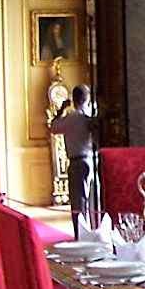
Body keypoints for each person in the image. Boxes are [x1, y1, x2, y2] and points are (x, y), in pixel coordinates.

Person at [50, 84, 99, 238]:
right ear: (88, 98)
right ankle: (96, 231)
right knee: (93, 200)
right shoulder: (90, 117)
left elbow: (53, 127)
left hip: (76, 161)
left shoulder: (70, 118)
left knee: (78, 202)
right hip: (92, 160)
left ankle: (81, 234)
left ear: (73, 99)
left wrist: (61, 109)